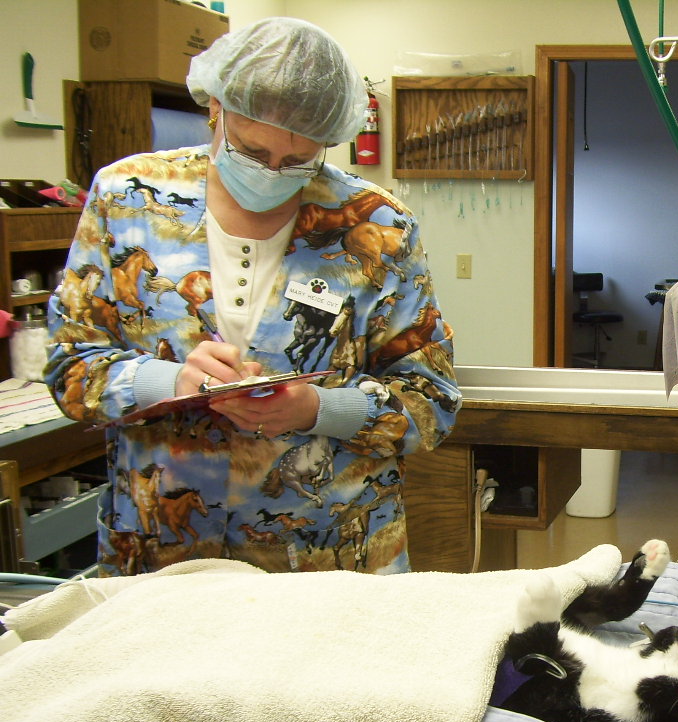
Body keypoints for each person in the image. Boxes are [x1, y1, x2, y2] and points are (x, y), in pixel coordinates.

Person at [45, 17, 459, 577]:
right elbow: (72, 366)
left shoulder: (376, 224)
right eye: (250, 150)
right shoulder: (127, 201)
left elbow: (428, 400)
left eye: (296, 162)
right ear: (215, 105)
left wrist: (317, 409)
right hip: (164, 550)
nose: (270, 174)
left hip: (330, 556)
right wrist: (168, 382)